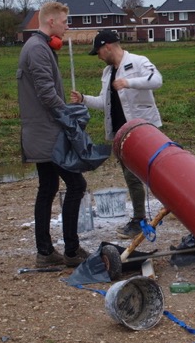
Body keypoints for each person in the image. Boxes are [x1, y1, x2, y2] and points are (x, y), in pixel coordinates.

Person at [70, 29, 163, 239]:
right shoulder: (107, 73)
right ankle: (139, 220)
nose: (99, 56)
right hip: (122, 135)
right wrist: (83, 99)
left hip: (144, 130)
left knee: (158, 173)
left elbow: (157, 80)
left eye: (99, 52)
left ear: (108, 46)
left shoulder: (139, 62)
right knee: (132, 178)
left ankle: (175, 207)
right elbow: (105, 103)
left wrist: (129, 82)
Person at [17, 1, 90, 267]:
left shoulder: (39, 47)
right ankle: (70, 251)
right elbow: (47, 94)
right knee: (76, 185)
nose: (67, 26)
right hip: (47, 133)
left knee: (48, 187)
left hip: (44, 131)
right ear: (51, 22)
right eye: (64, 22)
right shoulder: (37, 49)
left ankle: (45, 253)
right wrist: (69, 116)